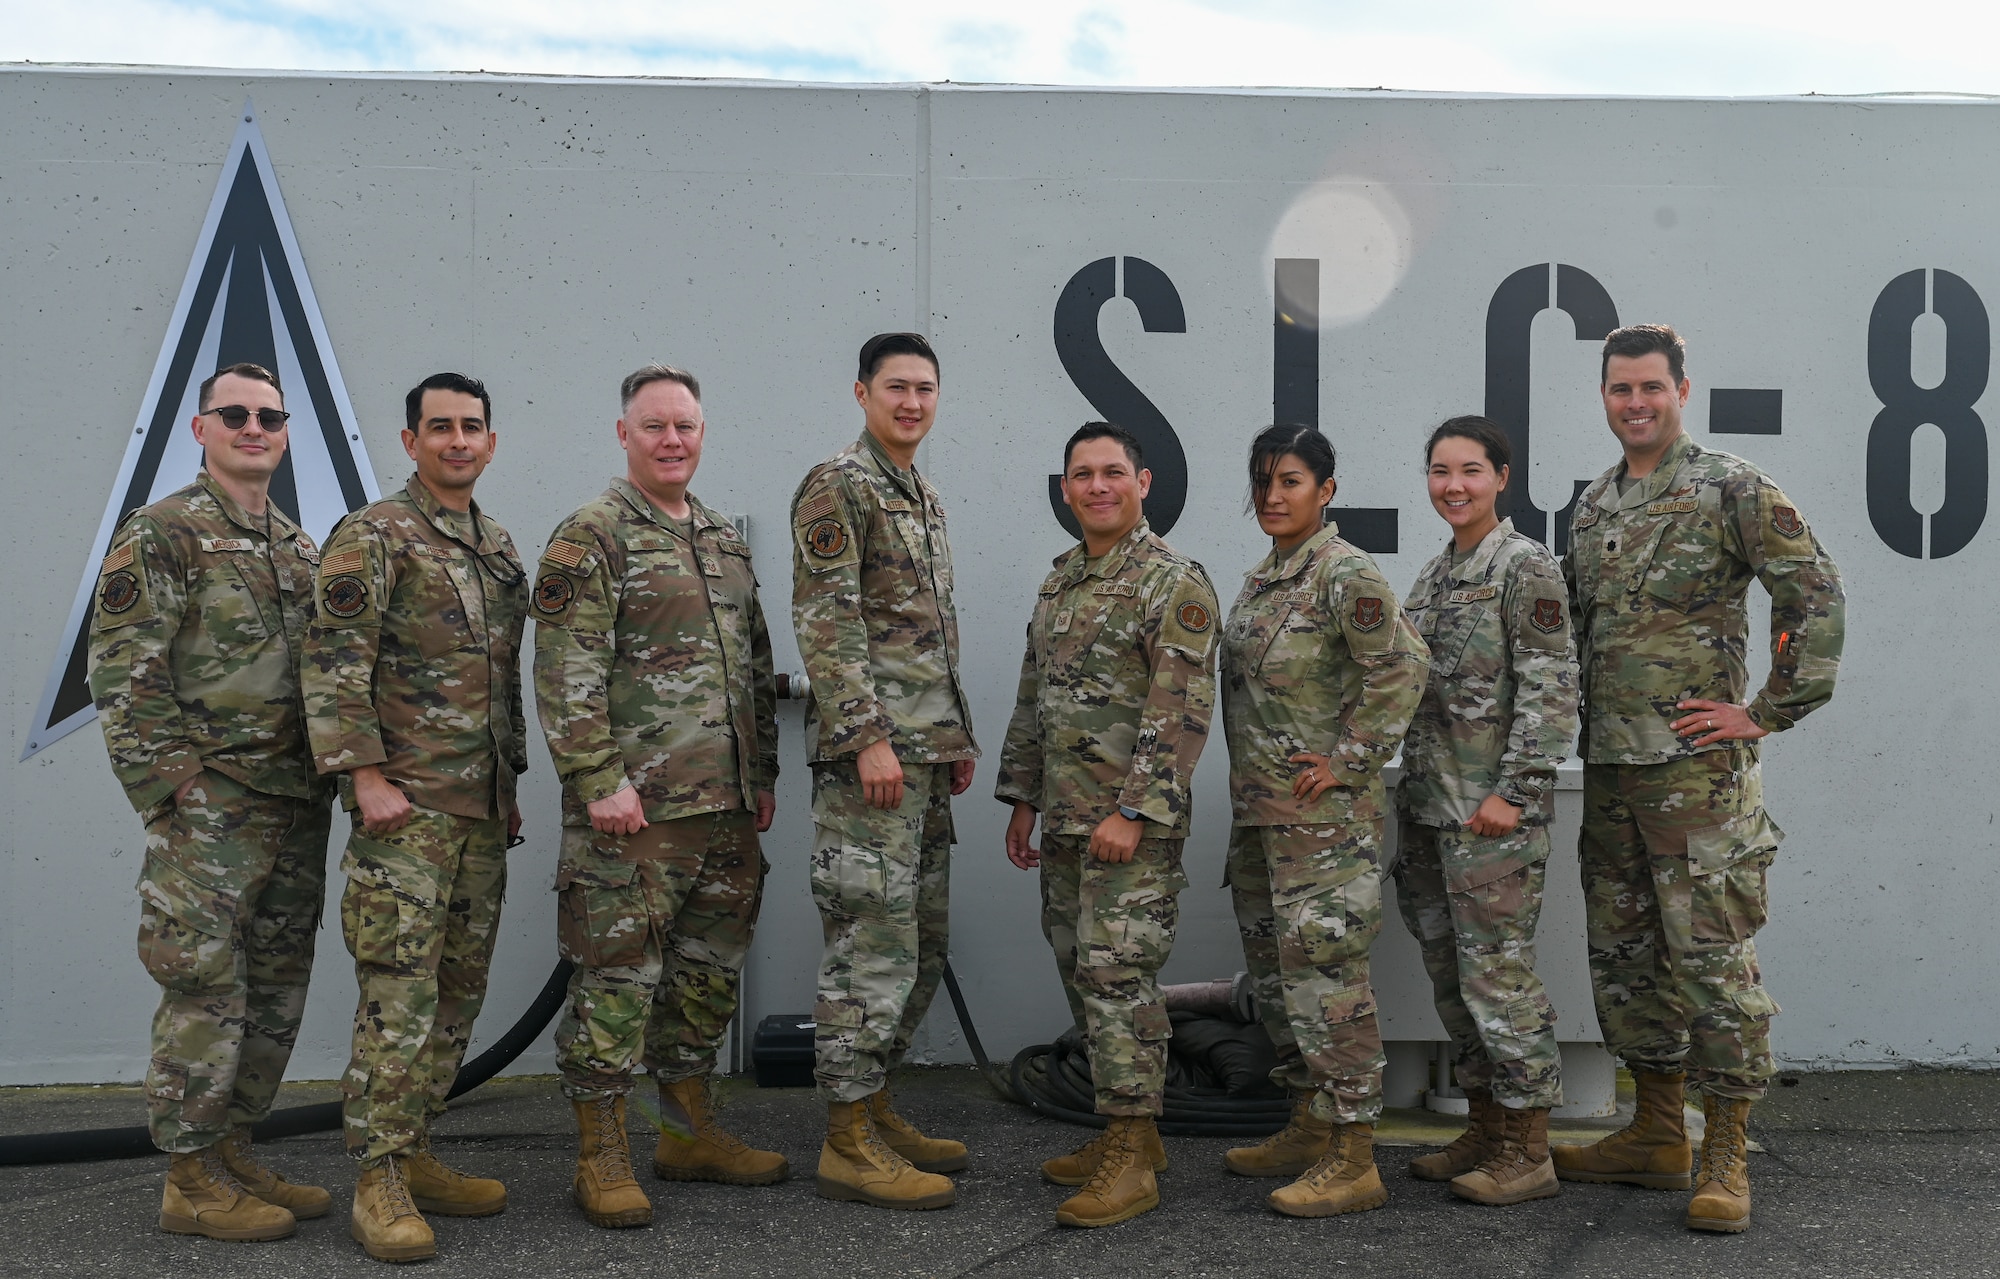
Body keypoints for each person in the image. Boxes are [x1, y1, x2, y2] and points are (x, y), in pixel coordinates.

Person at [1553, 325, 1844, 1234]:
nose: (1633, 403)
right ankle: (1652, 1130)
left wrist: (1768, 707)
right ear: (1603, 396)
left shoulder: (1731, 487)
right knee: (1626, 958)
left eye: (1649, 386)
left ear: (1683, 388)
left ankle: (1723, 1148)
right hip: (1612, 773)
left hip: (1697, 781)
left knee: (1713, 964)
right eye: (1618, 389)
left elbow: (1815, 592)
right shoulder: (1595, 502)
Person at [532, 364, 785, 1229]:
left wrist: (764, 779)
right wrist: (598, 781)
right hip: (634, 813)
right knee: (616, 984)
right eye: (655, 426)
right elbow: (566, 670)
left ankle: (686, 1133)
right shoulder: (592, 535)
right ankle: (600, 1156)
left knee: (705, 980)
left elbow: (753, 664)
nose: (672, 439)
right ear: (624, 434)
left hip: (724, 808)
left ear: (703, 432)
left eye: (685, 425)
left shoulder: (719, 535)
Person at [88, 362, 335, 1243]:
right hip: (214, 809)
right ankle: (189, 1178)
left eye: (269, 414)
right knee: (203, 985)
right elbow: (122, 668)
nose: (254, 425)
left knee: (274, 988)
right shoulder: (161, 534)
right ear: (202, 429)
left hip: (296, 804)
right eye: (234, 413)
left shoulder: (302, 551)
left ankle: (233, 1148)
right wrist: (175, 787)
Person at [303, 372, 529, 1263]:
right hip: (407, 811)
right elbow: (332, 662)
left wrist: (507, 786)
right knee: (398, 995)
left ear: (491, 441)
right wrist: (363, 776)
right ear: (410, 441)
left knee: (455, 992)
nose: (458, 440)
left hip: (478, 811)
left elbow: (501, 684)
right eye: (440, 427)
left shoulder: (497, 546)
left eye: (472, 426)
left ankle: (420, 1149)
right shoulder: (373, 536)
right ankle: (379, 1177)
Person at [996, 422, 1218, 1229]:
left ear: (1144, 482)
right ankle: (1129, 1132)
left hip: (1131, 829)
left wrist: (1133, 810)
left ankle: (1130, 1158)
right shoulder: (1061, 582)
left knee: (1119, 981)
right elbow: (1035, 697)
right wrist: (1023, 797)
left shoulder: (1173, 582)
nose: (1097, 486)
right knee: (1079, 972)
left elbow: (1182, 710)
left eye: (1112, 472)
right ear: (1065, 489)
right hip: (1063, 823)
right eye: (1082, 475)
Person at [1216, 424, 1429, 1218]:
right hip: (1263, 822)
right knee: (1280, 982)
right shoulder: (1266, 579)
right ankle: (1308, 1120)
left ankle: (1354, 1155)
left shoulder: (1343, 575)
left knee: (1330, 983)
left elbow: (1404, 665)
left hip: (1323, 824)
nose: (1274, 494)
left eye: (1292, 480)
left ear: (1326, 491)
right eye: (1264, 479)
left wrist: (1350, 757)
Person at [791, 332, 977, 1211]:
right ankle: (847, 1138)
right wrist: (868, 735)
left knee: (920, 944)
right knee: (870, 943)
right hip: (874, 765)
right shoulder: (841, 485)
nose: (912, 402)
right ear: (861, 391)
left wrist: (953, 736)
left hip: (923, 761)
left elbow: (923, 631)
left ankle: (877, 1103)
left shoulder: (922, 494)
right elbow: (827, 618)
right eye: (896, 387)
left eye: (925, 388)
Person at [1393, 416, 1580, 1206]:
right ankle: (1487, 1126)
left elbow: (1552, 684)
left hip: (1490, 819)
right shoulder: (1433, 577)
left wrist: (1516, 791)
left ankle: (1530, 1148)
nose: (1453, 484)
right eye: (1440, 470)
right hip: (1432, 815)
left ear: (1501, 476)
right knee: (1453, 981)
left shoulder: (1523, 564)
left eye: (1470, 469)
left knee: (1500, 981)